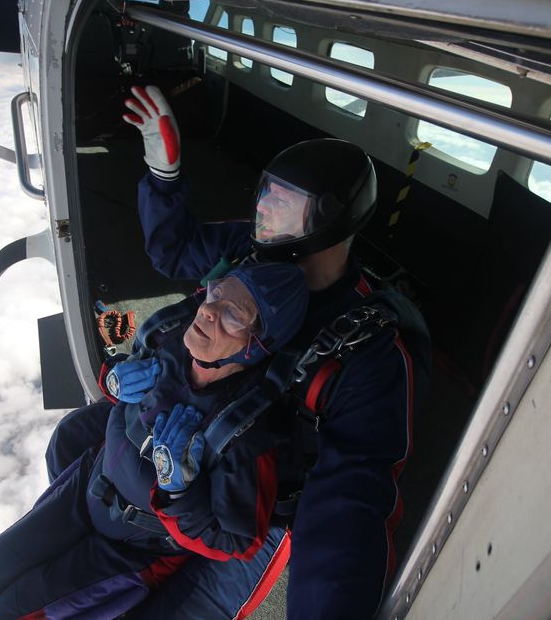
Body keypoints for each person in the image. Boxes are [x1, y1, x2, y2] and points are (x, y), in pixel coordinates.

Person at [47, 85, 431, 620]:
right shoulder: (251, 252)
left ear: (330, 221)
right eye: (266, 194)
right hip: (186, 419)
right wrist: (163, 178)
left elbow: (348, 508)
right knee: (71, 441)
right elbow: (175, 250)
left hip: (252, 503)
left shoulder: (370, 352)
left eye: (285, 203)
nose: (265, 209)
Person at [0, 261, 309, 620]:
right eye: (217, 293)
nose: (208, 311)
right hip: (87, 489)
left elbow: (236, 541)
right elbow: (126, 382)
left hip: (135, 549)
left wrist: (179, 493)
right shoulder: (171, 340)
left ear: (257, 345)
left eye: (233, 314)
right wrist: (115, 382)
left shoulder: (244, 432)